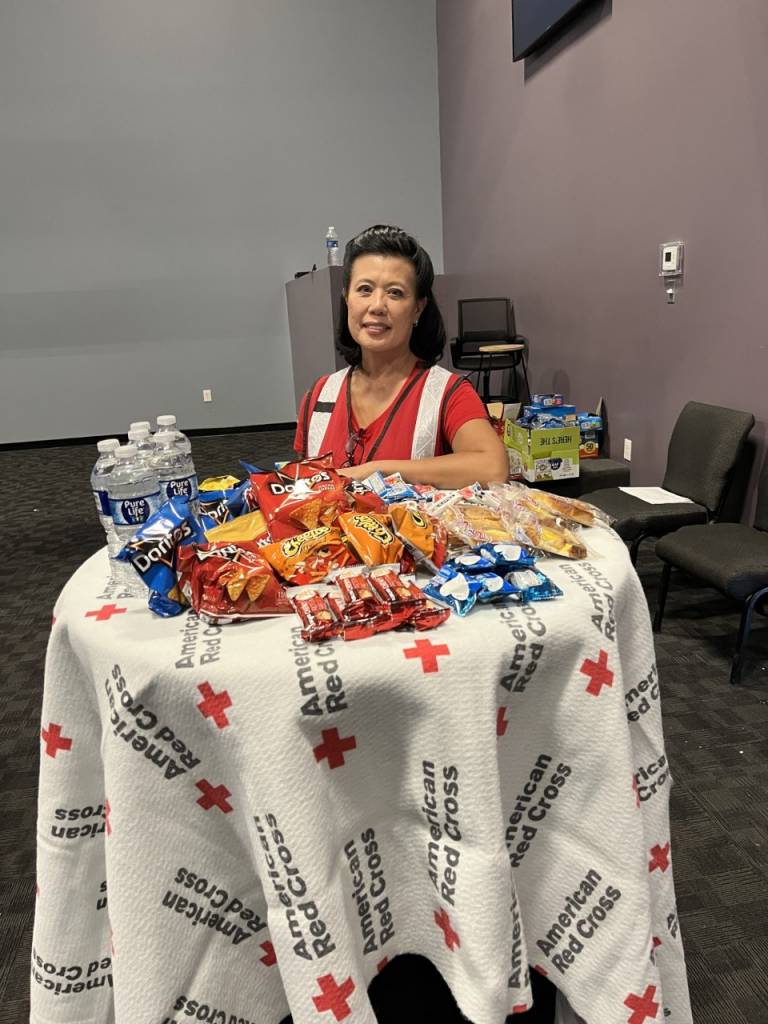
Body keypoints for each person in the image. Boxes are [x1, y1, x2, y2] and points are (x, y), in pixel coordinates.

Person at [294, 224, 509, 489]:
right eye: (364, 289)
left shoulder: (447, 393)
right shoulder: (319, 395)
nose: (377, 306)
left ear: (418, 308)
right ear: (346, 299)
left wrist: (377, 470)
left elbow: (493, 469)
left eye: (395, 292)